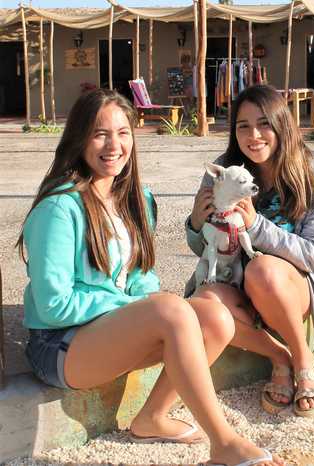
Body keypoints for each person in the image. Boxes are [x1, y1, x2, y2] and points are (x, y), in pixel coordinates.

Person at [17, 88, 284, 466]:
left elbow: (141, 277)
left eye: (123, 133)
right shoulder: (59, 208)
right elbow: (54, 306)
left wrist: (145, 302)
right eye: (100, 133)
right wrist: (136, 305)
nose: (114, 145)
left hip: (111, 332)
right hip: (60, 346)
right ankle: (224, 442)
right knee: (169, 310)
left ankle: (152, 418)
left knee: (215, 317)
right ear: (79, 138)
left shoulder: (136, 198)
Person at [185, 85, 314, 419]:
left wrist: (256, 226)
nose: (254, 135)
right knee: (202, 302)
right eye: (243, 126)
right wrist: (195, 223)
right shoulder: (223, 173)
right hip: (237, 288)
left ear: (282, 124)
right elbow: (204, 247)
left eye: (264, 123)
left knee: (262, 269)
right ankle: (280, 357)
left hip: (286, 290)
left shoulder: (310, 178)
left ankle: (304, 359)